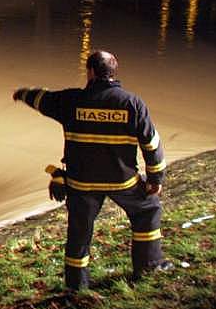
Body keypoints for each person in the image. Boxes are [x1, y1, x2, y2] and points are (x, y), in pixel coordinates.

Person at [12, 50, 170, 291]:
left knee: (79, 231)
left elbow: (41, 99)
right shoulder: (132, 104)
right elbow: (152, 145)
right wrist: (155, 179)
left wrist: (21, 94)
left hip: (81, 183)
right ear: (113, 73)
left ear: (91, 73)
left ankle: (77, 286)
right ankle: (149, 266)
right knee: (148, 211)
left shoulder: (70, 101)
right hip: (122, 181)